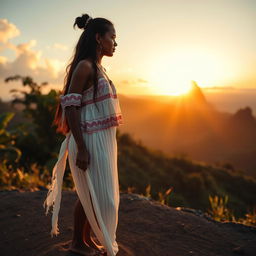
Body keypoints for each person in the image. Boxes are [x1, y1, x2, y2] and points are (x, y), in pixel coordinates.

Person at [43, 13, 123, 256]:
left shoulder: (98, 67)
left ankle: (86, 239)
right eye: (113, 38)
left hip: (101, 139)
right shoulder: (85, 66)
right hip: (88, 138)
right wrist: (83, 147)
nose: (115, 43)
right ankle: (78, 242)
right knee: (92, 193)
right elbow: (71, 106)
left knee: (99, 193)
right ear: (99, 38)